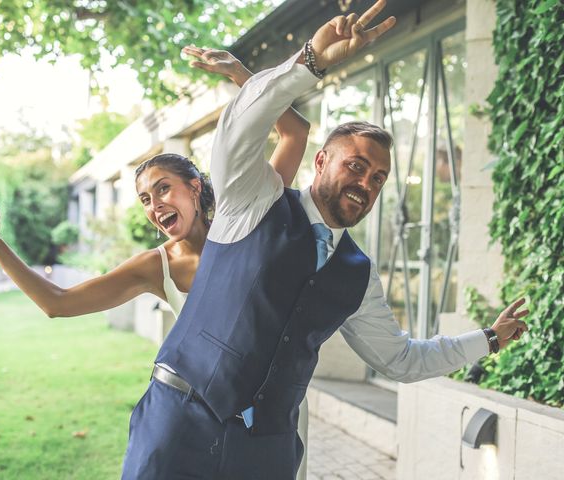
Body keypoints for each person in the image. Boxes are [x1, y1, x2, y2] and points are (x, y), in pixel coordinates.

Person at [121, 1, 530, 479]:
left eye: (378, 177)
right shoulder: (253, 200)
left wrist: (487, 340)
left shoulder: (358, 274)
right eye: (355, 166)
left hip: (267, 453)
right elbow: (240, 126)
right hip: (179, 426)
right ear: (319, 163)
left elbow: (400, 359)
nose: (366, 183)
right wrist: (311, 60)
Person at [0, 51, 311, 476]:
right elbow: (56, 302)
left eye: (163, 189)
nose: (155, 206)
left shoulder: (249, 218)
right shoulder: (156, 266)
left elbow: (294, 133)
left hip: (261, 424)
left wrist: (238, 74)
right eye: (146, 200)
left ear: (194, 187)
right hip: (184, 422)